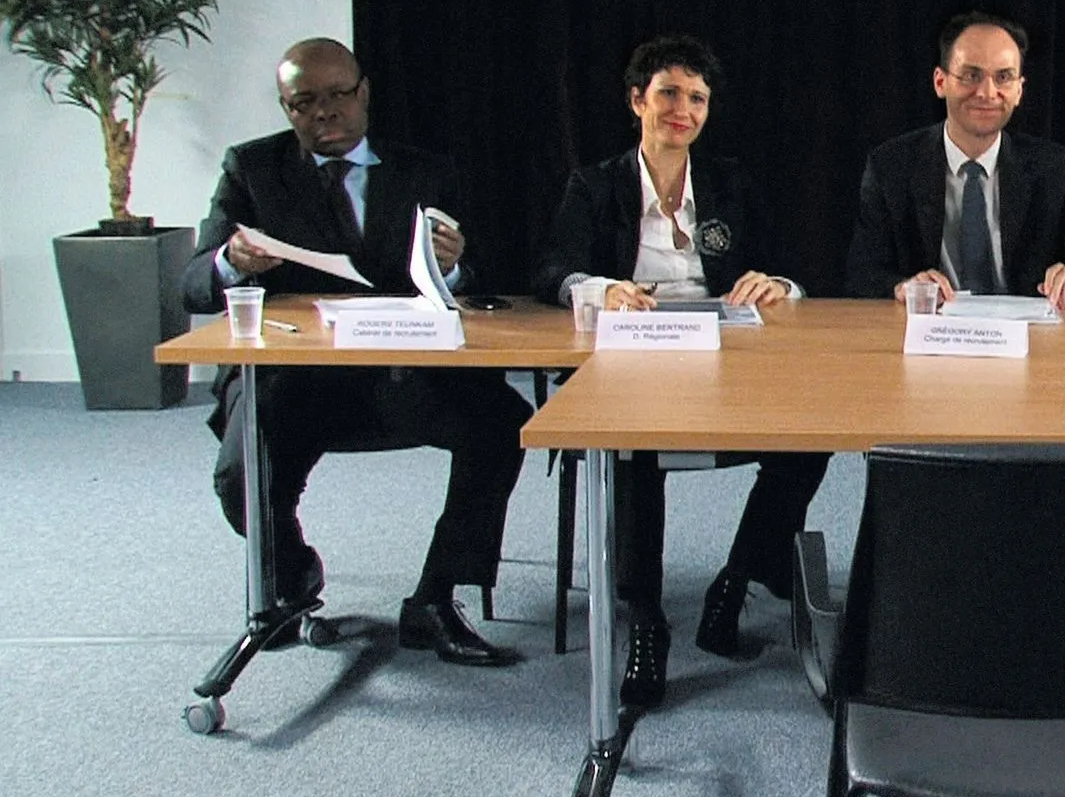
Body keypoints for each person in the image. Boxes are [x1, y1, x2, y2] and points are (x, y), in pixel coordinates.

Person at [182, 37, 530, 667]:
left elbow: (489, 278)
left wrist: (453, 270)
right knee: (240, 480)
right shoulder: (251, 169)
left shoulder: (426, 171)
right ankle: (292, 578)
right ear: (286, 108)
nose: (324, 113)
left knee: (502, 422)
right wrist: (230, 261)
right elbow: (189, 283)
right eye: (304, 102)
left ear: (363, 92)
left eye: (338, 95)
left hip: (402, 374)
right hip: (293, 377)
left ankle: (435, 598)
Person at [533, 34, 829, 707]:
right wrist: (599, 288)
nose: (683, 109)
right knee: (631, 446)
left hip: (726, 362)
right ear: (638, 100)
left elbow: (792, 268)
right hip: (634, 360)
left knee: (812, 437)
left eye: (697, 97)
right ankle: (646, 620)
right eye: (669, 93)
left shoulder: (729, 183)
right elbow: (551, 269)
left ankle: (738, 579)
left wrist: (775, 282)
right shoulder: (597, 183)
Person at [845, 10, 1065, 308]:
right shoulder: (891, 166)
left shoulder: (1059, 169)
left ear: (1019, 90)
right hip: (927, 338)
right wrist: (902, 288)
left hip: (1030, 341)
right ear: (940, 82)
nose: (987, 92)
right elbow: (862, 274)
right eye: (971, 76)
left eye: (1003, 77)